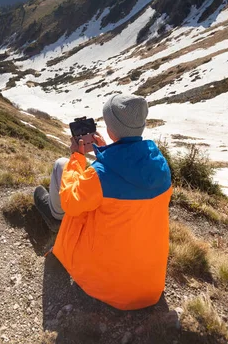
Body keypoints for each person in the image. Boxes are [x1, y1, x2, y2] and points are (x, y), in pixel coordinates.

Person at [34, 93, 172, 311]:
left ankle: (53, 216)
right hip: (149, 287)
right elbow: (126, 180)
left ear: (110, 129)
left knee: (62, 169)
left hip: (110, 287)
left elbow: (71, 201)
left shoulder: (100, 176)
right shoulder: (160, 165)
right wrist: (107, 152)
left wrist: (77, 157)